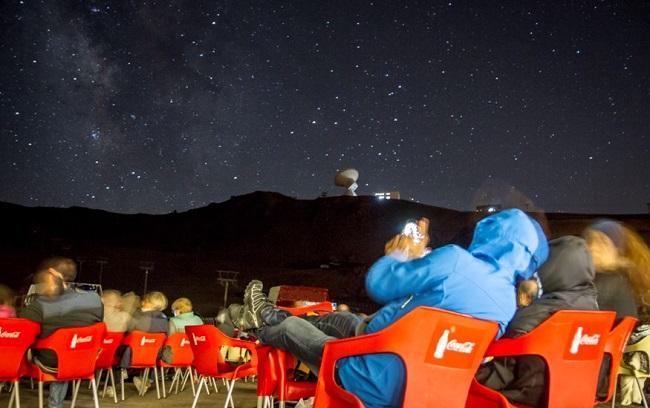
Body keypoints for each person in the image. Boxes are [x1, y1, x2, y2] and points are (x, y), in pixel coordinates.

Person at [237, 208, 549, 408]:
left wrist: (399, 255)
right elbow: (440, 304)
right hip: (430, 390)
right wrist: (421, 257)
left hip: (369, 378)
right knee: (340, 319)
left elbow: (381, 285)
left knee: (293, 329)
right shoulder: (507, 302)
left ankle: (264, 322)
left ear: (491, 232)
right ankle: (266, 316)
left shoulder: (455, 259)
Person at [476, 235, 598, 406]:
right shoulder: (592, 307)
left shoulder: (537, 314)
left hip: (528, 393)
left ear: (551, 269)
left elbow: (502, 373)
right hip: (577, 391)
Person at [19, 259, 103, 408]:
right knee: (65, 352)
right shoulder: (95, 300)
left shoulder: (40, 305)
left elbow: (22, 333)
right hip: (85, 361)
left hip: (52, 363)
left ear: (52, 273)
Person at [583, 220, 650, 405]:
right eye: (588, 240)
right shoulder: (608, 278)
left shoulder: (612, 281)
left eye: (600, 242)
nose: (592, 247)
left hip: (591, 368)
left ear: (615, 248)